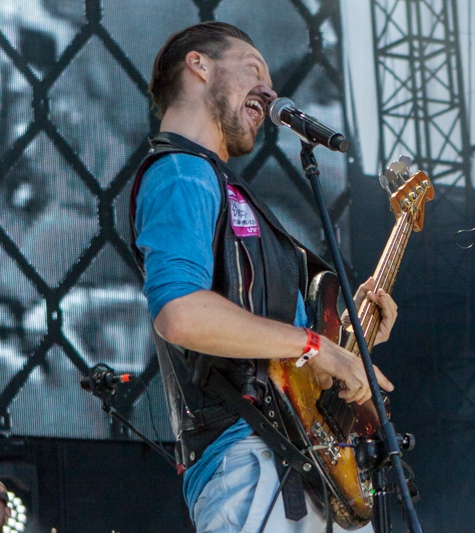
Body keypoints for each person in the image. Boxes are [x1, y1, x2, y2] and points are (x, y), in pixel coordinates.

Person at [131, 22, 397, 533]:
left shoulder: (218, 183)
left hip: (298, 466)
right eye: (253, 69)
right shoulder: (180, 172)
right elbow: (181, 313)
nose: (270, 92)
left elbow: (282, 353)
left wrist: (344, 338)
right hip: (251, 465)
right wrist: (318, 347)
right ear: (198, 65)